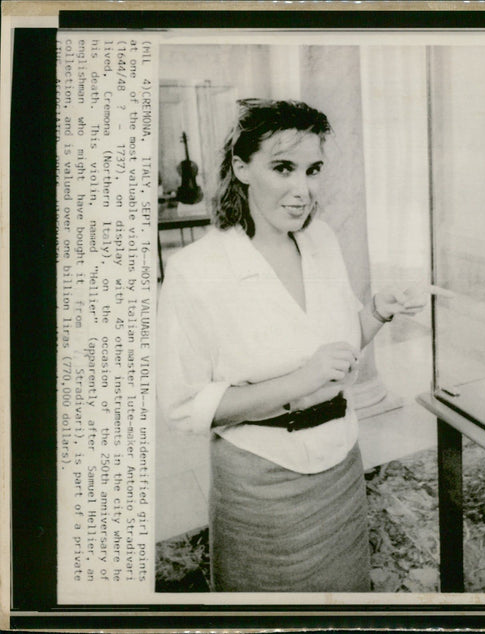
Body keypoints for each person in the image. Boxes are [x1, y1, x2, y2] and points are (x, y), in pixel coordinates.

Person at [157, 99, 426, 592]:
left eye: (313, 170)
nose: (303, 191)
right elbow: (183, 407)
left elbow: (339, 353)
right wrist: (298, 381)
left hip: (341, 463)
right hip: (262, 484)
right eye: (283, 168)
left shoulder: (321, 239)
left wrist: (378, 312)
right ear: (241, 167)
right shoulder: (195, 269)